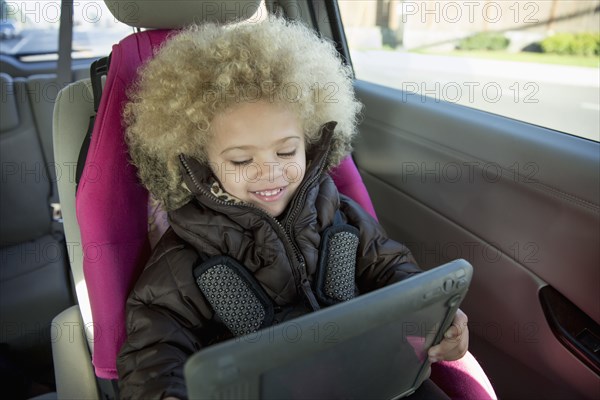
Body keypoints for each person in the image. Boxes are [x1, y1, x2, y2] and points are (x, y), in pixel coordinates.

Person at [117, 16, 468, 400]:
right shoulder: (186, 254)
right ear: (203, 160)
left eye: (286, 151)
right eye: (240, 161)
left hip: (368, 375)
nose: (270, 172)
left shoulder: (341, 215)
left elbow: (391, 270)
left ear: (310, 140)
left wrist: (434, 318)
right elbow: (154, 346)